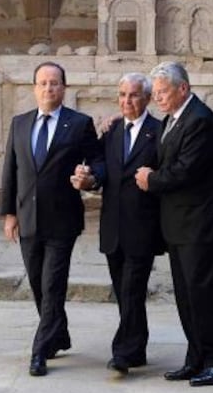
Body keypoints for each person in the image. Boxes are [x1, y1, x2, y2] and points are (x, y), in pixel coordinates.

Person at [0, 61, 103, 377]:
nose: (49, 88)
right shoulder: (19, 124)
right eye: (43, 83)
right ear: (34, 88)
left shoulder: (79, 123)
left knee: (52, 283)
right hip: (28, 218)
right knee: (37, 284)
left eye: (55, 83)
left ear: (64, 88)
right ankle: (58, 333)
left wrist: (90, 177)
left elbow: (97, 160)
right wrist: (9, 214)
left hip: (62, 219)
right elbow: (11, 171)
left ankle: (39, 350)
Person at [135, 61, 213, 387]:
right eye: (156, 93)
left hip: (202, 225)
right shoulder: (172, 120)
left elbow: (185, 171)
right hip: (179, 226)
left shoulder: (200, 121)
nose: (158, 98)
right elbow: (161, 153)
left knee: (201, 293)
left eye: (163, 92)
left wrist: (151, 179)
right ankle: (196, 359)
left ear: (183, 89)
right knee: (185, 295)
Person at [71, 73, 165, 375]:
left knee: (132, 289)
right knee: (123, 291)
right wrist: (91, 178)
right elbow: (101, 165)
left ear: (147, 98)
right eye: (122, 95)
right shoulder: (111, 132)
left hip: (143, 225)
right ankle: (137, 347)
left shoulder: (160, 132)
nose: (127, 101)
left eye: (134, 95)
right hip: (112, 226)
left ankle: (123, 352)